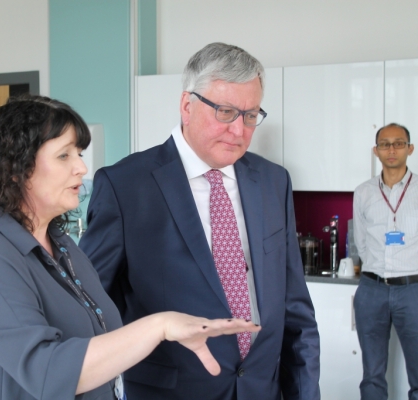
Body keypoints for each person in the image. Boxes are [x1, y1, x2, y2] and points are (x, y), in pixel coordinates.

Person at [0, 95, 260, 400]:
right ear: (14, 170)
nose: (81, 168)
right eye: (64, 155)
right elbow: (48, 371)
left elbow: (101, 347)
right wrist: (160, 326)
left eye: (79, 154)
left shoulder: (63, 247)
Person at [79, 42, 320, 400]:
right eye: (226, 112)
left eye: (250, 115)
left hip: (260, 389)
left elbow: (295, 311)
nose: (239, 130)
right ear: (187, 106)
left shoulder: (273, 181)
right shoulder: (125, 185)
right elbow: (90, 309)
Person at [353, 122, 418, 400]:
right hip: (372, 290)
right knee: (372, 375)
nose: (391, 149)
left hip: (413, 290)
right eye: (385, 144)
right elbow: (361, 241)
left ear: (410, 149)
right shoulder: (363, 192)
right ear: (376, 151)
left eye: (398, 143)